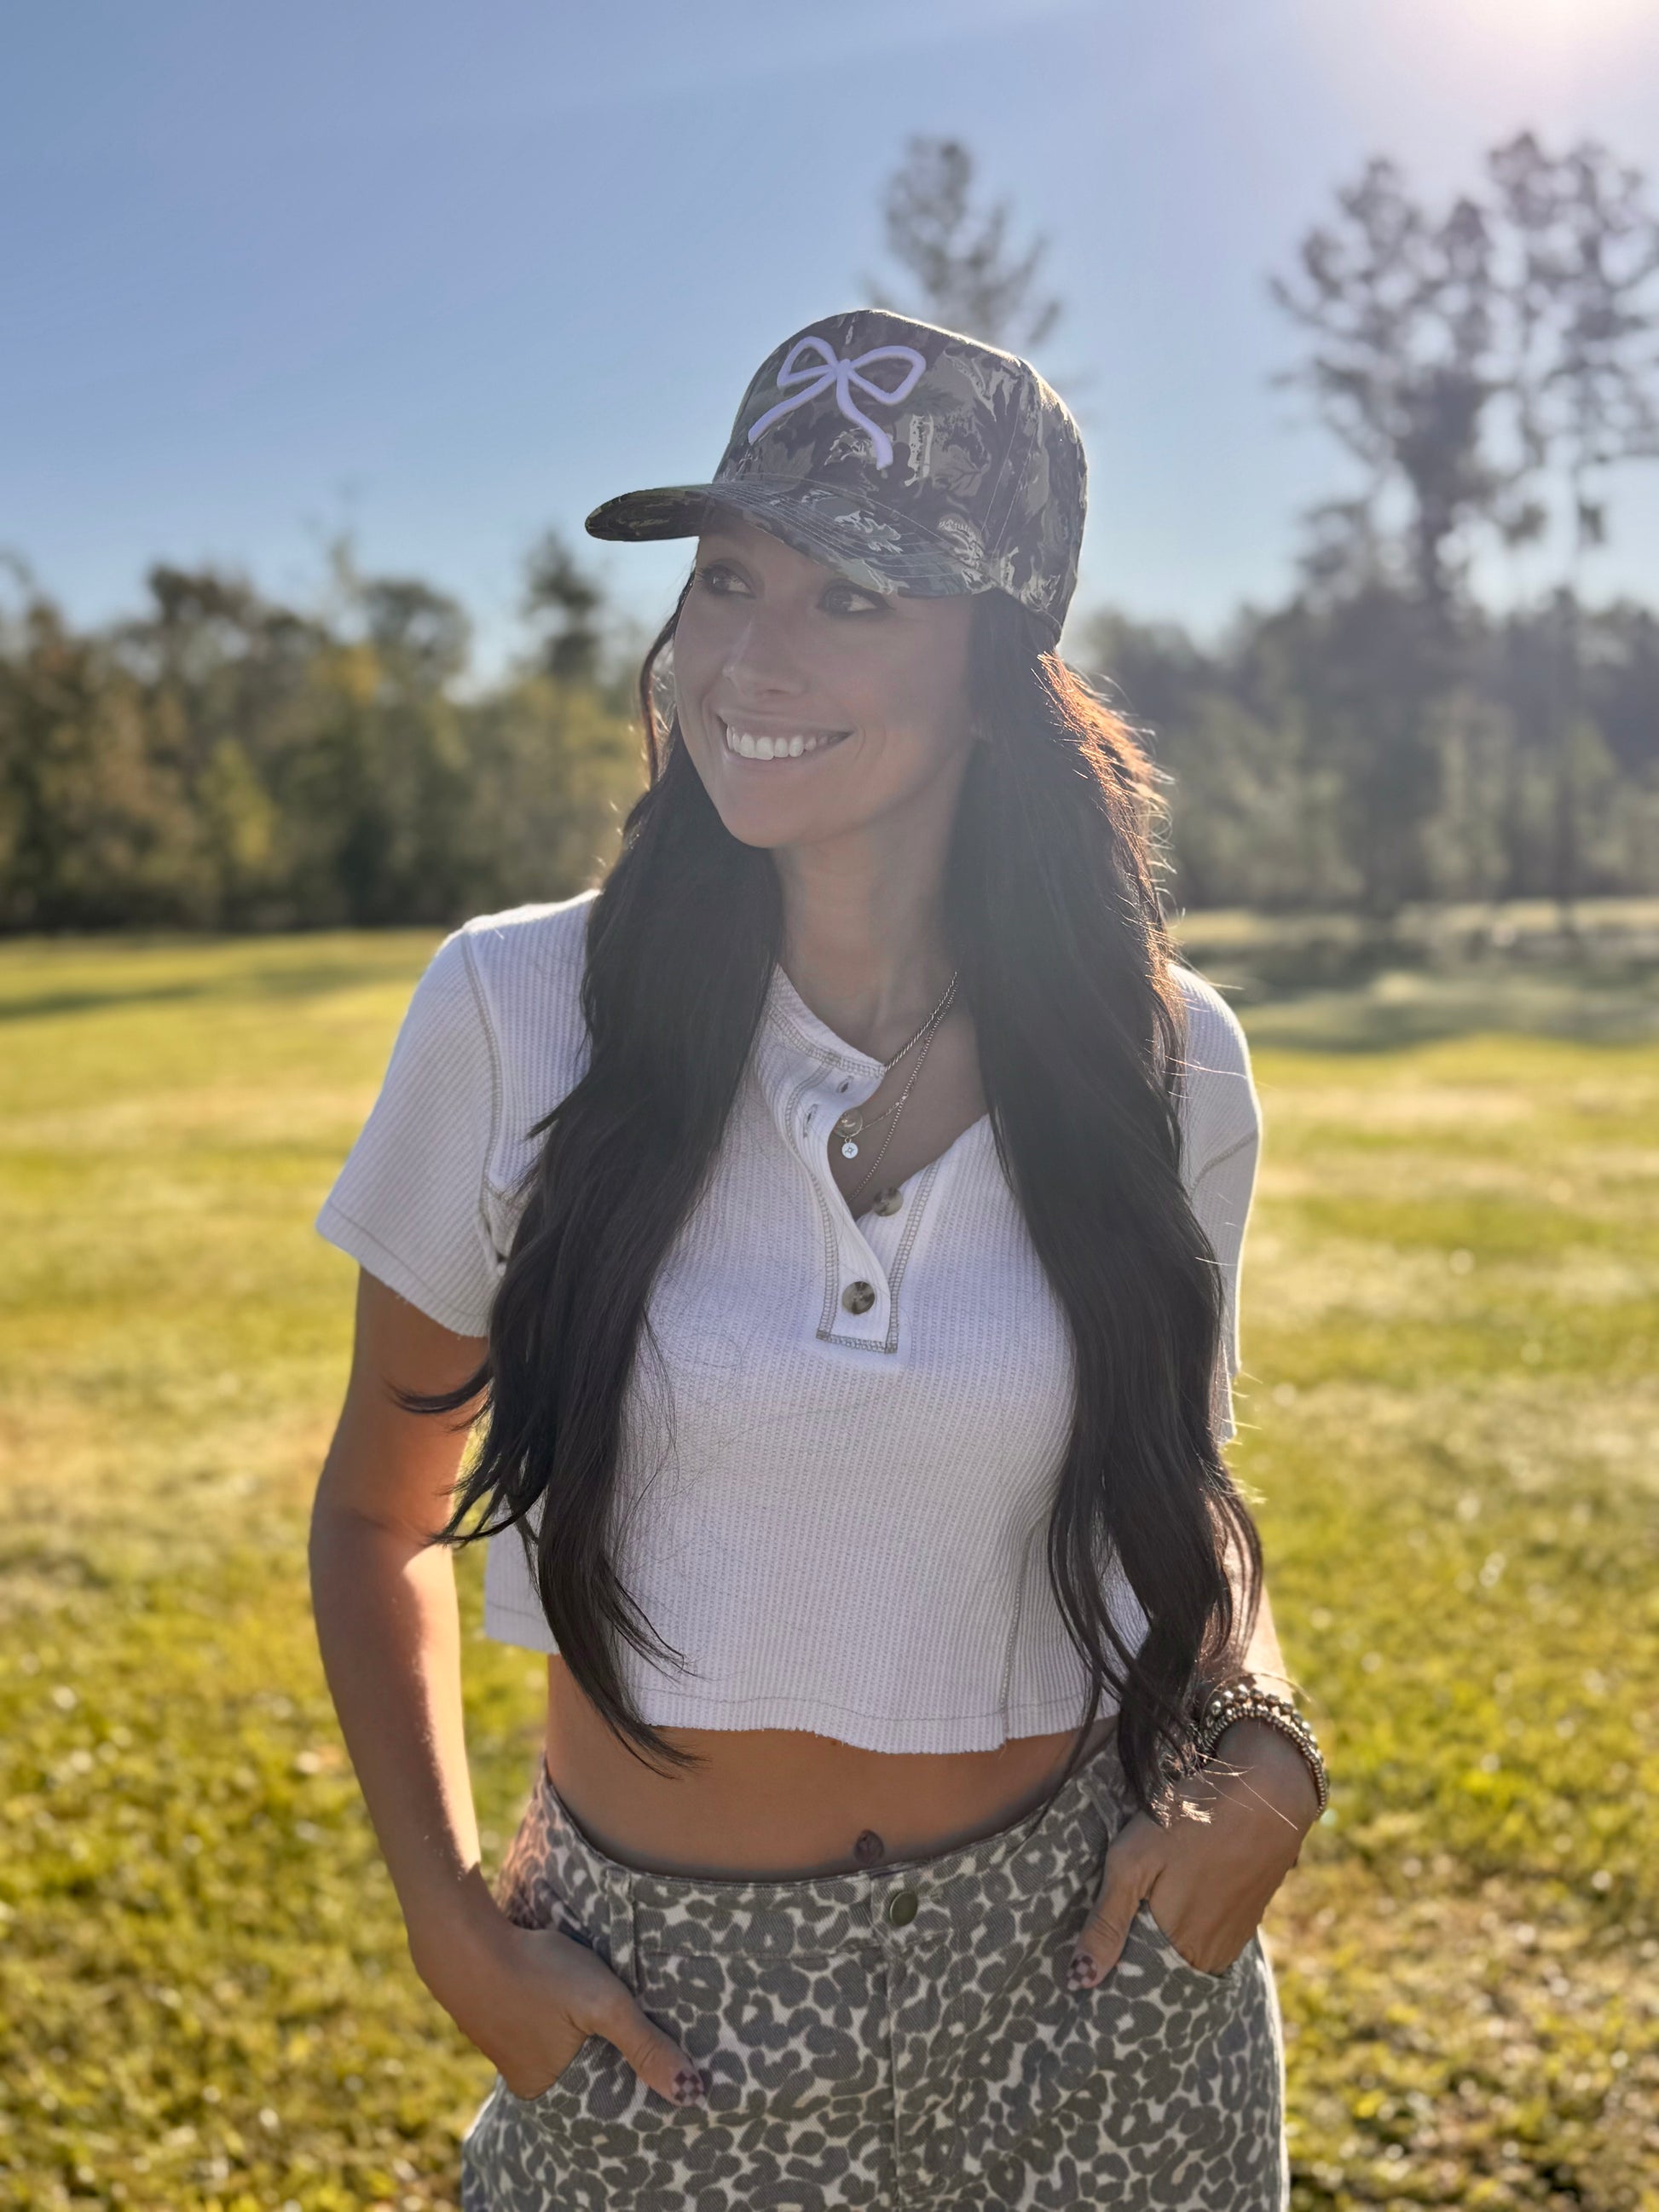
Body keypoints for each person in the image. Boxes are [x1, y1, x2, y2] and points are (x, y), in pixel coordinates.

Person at [307, 307, 1326, 2211]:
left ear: (995, 675)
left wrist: (1265, 1739)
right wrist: (450, 1923)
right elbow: (380, 1510)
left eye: (851, 596)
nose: (748, 658)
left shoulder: (1159, 1058)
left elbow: (1172, 1491)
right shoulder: (518, 1011)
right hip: (667, 2014)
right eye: (725, 579)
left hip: (1090, 1987)